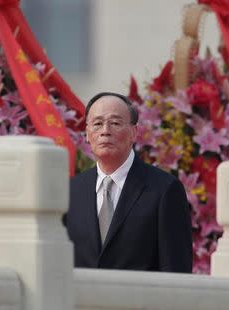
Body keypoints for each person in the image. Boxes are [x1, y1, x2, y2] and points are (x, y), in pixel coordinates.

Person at [64, 92, 193, 272]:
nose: (105, 131)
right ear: (87, 134)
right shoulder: (71, 191)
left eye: (115, 123)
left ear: (134, 132)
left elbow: (176, 270)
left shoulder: (164, 190)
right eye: (97, 124)